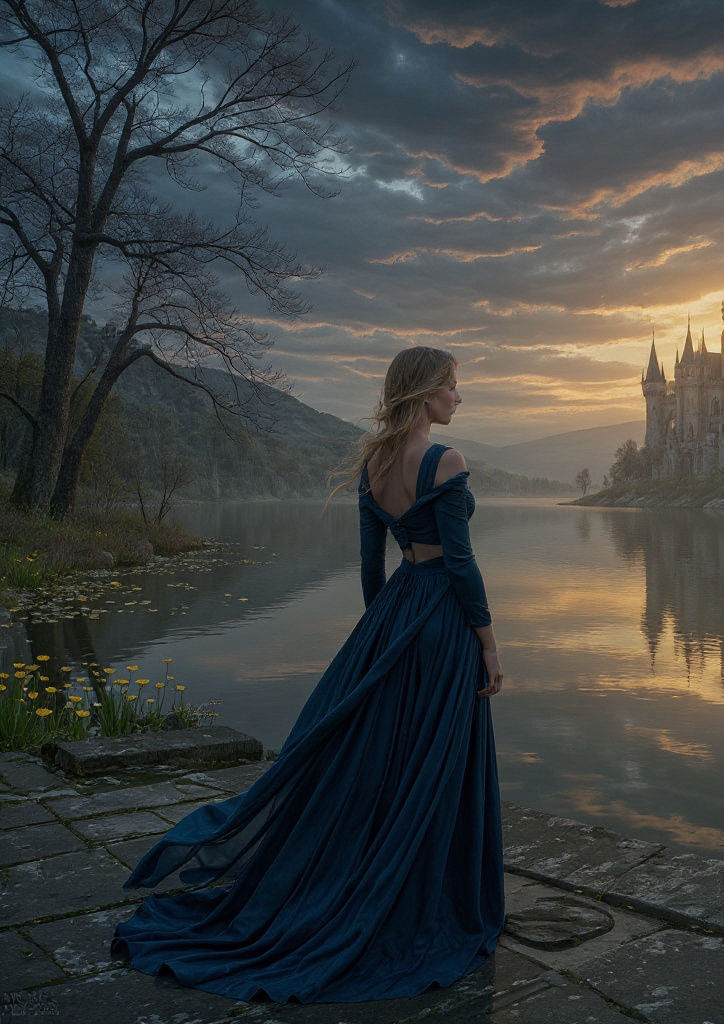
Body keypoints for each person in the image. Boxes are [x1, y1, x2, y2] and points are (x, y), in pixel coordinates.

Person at [109, 346, 505, 1003]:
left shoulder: (373, 463)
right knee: (433, 759)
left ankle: (365, 874)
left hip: (396, 614)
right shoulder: (444, 461)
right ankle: (425, 893)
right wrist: (489, 645)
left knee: (380, 756)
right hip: (440, 621)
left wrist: (384, 635)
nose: (459, 399)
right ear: (425, 392)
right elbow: (460, 565)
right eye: (453, 388)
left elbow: (369, 568)